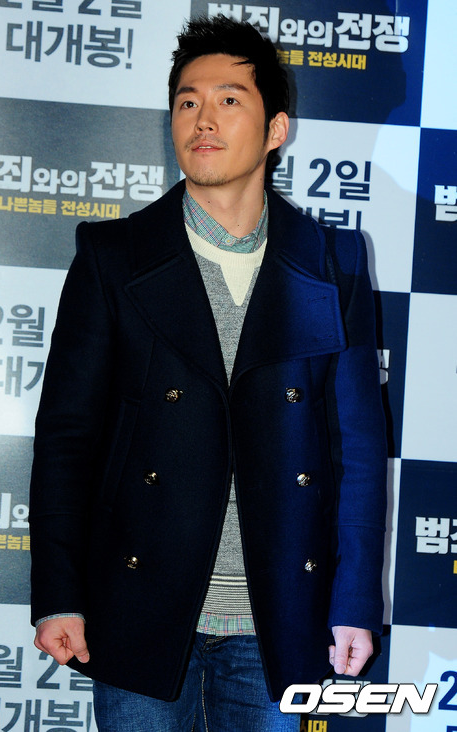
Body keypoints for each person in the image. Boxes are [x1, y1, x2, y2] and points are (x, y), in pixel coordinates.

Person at [30, 15, 387, 732]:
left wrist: (353, 602)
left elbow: (357, 448)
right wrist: (58, 595)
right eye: (187, 101)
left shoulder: (332, 263)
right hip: (138, 606)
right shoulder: (112, 257)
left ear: (276, 129)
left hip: (277, 617)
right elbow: (68, 438)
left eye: (229, 100)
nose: (203, 119)